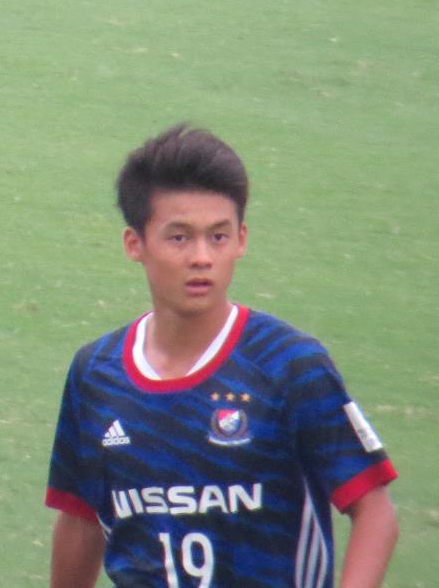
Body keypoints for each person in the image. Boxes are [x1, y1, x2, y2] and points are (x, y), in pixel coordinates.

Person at [45, 124, 398, 588]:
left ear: (241, 240)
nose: (202, 258)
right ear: (135, 244)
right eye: (179, 238)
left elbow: (374, 510)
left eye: (218, 237)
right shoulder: (96, 375)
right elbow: (81, 519)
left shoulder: (288, 365)